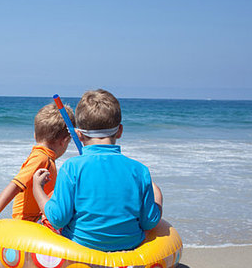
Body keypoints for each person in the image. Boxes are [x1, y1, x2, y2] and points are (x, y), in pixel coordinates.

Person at [33, 89, 163, 252]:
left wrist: (37, 188)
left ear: (78, 135)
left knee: (42, 221)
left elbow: (58, 219)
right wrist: (158, 196)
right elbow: (149, 222)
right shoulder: (140, 170)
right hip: (129, 247)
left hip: (81, 247)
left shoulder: (71, 167)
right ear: (120, 131)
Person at [0, 103, 75, 237]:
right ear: (65, 141)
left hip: (37, 218)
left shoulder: (44, 157)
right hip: (30, 221)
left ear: (35, 135)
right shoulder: (41, 158)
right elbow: (15, 184)